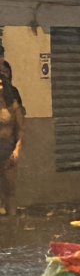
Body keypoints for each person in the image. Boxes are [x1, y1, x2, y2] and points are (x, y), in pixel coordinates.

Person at [0, 72, 23, 216]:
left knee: (9, 189)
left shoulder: (13, 107)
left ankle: (11, 221)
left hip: (7, 151)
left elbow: (20, 131)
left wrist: (17, 151)